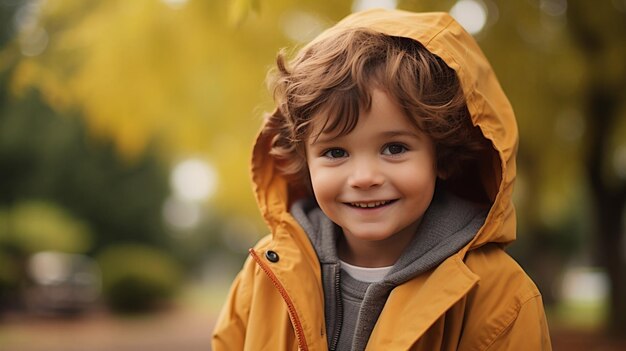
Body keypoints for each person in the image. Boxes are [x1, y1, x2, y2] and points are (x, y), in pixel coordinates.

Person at [212, 8, 552, 351]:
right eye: (335, 153)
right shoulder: (264, 279)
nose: (364, 178)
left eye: (394, 148)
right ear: (305, 162)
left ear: (442, 156)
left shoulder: (499, 296)